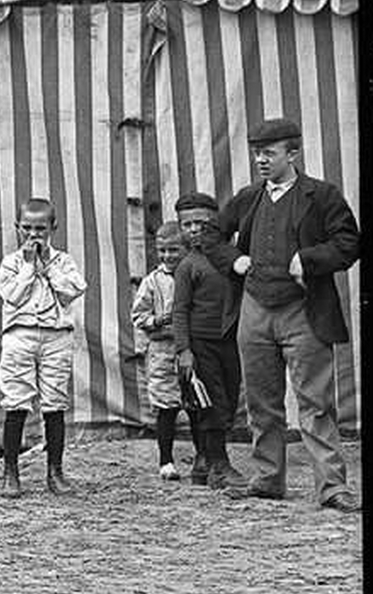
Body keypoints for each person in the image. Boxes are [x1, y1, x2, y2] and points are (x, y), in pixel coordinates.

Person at [215, 117, 361, 512]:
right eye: (257, 153)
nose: (261, 160)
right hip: (255, 310)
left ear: (292, 153)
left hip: (304, 311)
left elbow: (349, 243)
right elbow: (213, 234)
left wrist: (308, 259)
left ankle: (332, 487)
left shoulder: (323, 196)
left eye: (269, 153)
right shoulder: (248, 198)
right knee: (261, 401)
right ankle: (267, 479)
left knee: (315, 403)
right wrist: (235, 260)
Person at [0, 198, 86, 497]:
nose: (34, 235)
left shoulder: (64, 262)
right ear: (18, 229)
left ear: (52, 228)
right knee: (16, 401)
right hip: (20, 336)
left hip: (56, 337)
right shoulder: (11, 263)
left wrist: (47, 268)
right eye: (28, 229)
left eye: (41, 229)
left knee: (54, 403)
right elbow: (13, 296)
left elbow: (72, 291)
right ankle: (11, 473)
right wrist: (29, 268)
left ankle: (55, 472)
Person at [169, 192, 245, 490]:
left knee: (226, 401)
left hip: (231, 340)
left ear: (217, 222)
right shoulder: (189, 266)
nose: (194, 230)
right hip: (201, 346)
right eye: (187, 224)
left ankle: (203, 460)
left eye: (202, 222)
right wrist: (184, 350)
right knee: (210, 403)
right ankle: (219, 466)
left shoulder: (232, 258)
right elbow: (179, 311)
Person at [131, 221, 195, 481]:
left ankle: (204, 458)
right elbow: (138, 315)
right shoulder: (152, 281)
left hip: (191, 349)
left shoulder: (193, 274)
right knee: (166, 407)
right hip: (161, 350)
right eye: (162, 251)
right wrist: (157, 321)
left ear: (186, 249)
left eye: (174, 250)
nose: (168, 256)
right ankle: (166, 461)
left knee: (196, 404)